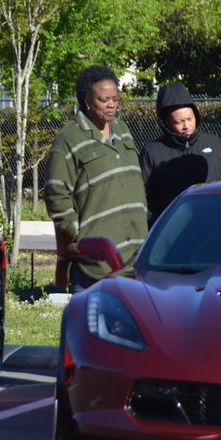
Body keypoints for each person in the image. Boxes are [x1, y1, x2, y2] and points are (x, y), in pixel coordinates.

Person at [44, 65, 148, 293]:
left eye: (115, 99)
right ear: (87, 101)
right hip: (94, 263)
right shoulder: (69, 139)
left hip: (135, 255)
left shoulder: (122, 129)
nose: (111, 104)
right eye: (104, 99)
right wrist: (77, 233)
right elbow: (55, 191)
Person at [139, 82, 221, 227]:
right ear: (166, 122)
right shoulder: (152, 152)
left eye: (190, 119)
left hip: (214, 224)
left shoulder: (213, 142)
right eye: (179, 122)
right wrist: (159, 227)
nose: (187, 126)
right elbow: (146, 196)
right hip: (174, 229)